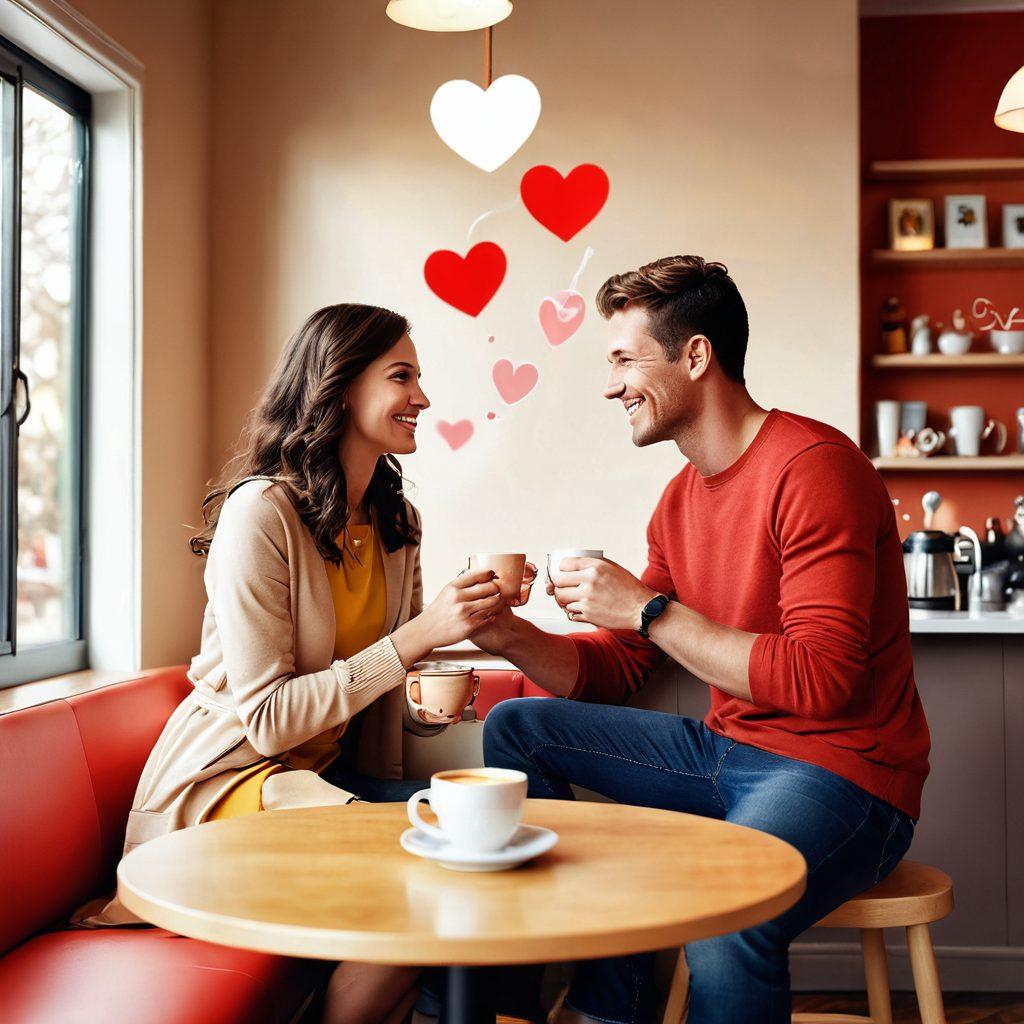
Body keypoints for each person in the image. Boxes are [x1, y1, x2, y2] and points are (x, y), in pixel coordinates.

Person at [473, 256, 931, 1024]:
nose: (610, 385)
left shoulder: (815, 468)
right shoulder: (678, 501)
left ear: (696, 356)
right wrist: (509, 633)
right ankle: (608, 1009)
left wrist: (648, 607)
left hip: (846, 775)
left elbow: (826, 681)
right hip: (728, 756)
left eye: (624, 360)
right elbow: (619, 672)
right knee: (519, 726)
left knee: (728, 918)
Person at [80, 303, 505, 1024]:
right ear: (340, 387)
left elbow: (382, 684)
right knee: (427, 873)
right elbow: (271, 720)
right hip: (226, 787)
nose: (423, 399)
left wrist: (449, 678)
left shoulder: (398, 524)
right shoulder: (262, 515)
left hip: (316, 782)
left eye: (419, 379)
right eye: (402, 377)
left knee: (473, 855)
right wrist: (416, 640)